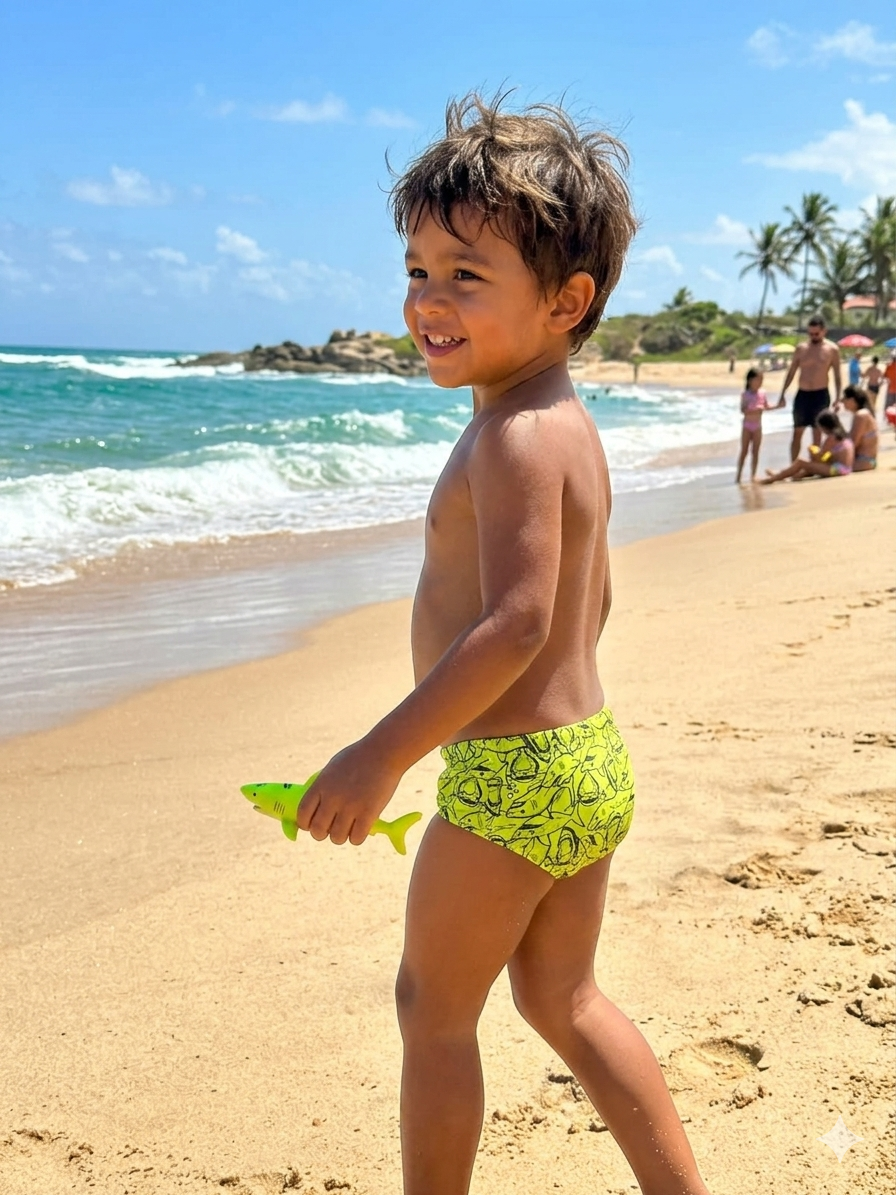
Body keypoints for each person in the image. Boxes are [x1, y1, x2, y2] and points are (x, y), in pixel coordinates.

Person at [296, 95, 713, 1195]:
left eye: (466, 275)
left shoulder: (511, 438)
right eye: (417, 269)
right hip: (587, 756)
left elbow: (518, 622)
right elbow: (589, 600)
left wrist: (380, 756)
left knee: (431, 1010)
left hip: (512, 779)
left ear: (566, 301)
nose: (426, 301)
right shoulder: (567, 428)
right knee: (561, 997)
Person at [778, 315, 842, 461]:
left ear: (824, 331)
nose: (813, 337)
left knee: (817, 433)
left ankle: (814, 465)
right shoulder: (801, 349)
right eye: (810, 333)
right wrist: (782, 394)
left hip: (820, 394)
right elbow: (791, 372)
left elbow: (837, 376)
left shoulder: (832, 349)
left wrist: (838, 398)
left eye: (816, 334)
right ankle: (793, 465)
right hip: (803, 394)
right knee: (797, 432)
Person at [760, 408, 853, 484]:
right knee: (808, 468)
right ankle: (785, 476)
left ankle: (773, 479)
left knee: (801, 462)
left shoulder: (831, 438)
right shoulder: (843, 436)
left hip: (838, 470)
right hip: (844, 468)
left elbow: (820, 457)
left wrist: (812, 452)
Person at [736, 367, 784, 483]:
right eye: (758, 380)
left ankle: (753, 475)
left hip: (758, 426)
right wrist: (755, 409)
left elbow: (766, 406)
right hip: (747, 426)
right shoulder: (745, 394)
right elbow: (743, 410)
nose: (760, 382)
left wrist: (778, 406)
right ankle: (738, 475)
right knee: (744, 451)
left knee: (756, 451)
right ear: (750, 380)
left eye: (761, 380)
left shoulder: (762, 393)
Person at [841, 386, 878, 470]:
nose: (842, 401)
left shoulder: (861, 415)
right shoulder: (864, 414)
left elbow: (853, 442)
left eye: (845, 398)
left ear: (853, 400)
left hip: (863, 461)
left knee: (817, 465)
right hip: (866, 460)